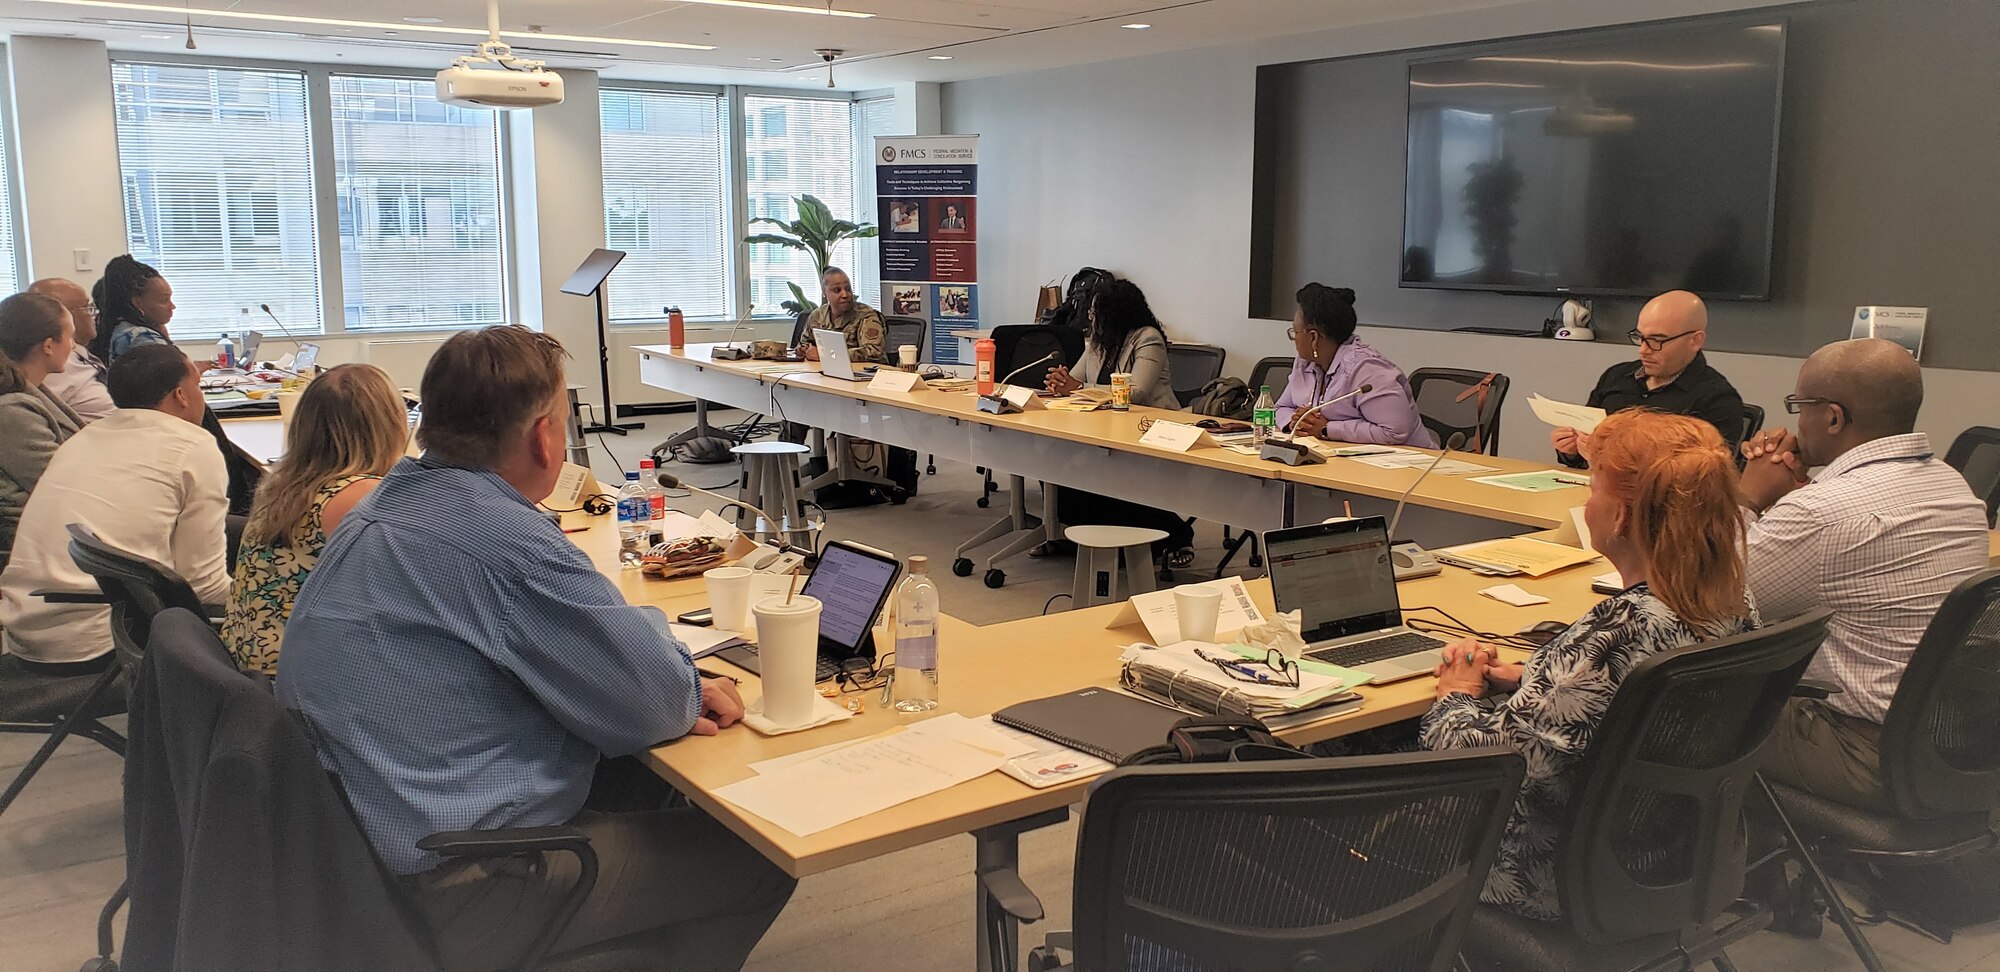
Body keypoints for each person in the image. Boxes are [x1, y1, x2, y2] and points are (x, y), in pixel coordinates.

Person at [276, 325, 792, 971]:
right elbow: (653, 699)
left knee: (641, 775)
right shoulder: (504, 541)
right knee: (760, 849)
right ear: (545, 438)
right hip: (459, 877)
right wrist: (675, 678)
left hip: (360, 854)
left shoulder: (384, 508)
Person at [1420, 409, 1758, 921]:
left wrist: (1458, 694)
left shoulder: (1623, 629)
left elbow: (1485, 761)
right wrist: (1535, 676)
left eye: (1592, 487)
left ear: (1621, 515)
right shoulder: (1733, 601)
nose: (1585, 501)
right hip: (1667, 855)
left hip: (1541, 874)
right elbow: (1612, 705)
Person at [1739, 338, 1988, 811]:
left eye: (1799, 407)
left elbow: (1706, 599)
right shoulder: (1952, 484)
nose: (1794, 421)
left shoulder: (1822, 513)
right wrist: (1795, 494)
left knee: (1663, 712)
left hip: (1860, 749)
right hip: (1947, 740)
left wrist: (1748, 495)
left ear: (1832, 417)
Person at [0, 344, 229, 666]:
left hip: (28, 625)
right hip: (108, 635)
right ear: (181, 395)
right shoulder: (193, 445)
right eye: (198, 386)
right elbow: (205, 587)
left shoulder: (86, 437)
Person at [221, 364, 405, 678]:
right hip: (298, 679)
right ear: (389, 425)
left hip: (249, 663)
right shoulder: (358, 496)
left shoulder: (285, 483)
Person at [1039, 280, 1197, 568]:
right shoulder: (1100, 341)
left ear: (1116, 313)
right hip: (1104, 426)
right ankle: (1084, 533)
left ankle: (1174, 533)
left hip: (1149, 430)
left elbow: (1138, 392)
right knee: (1055, 456)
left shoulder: (1147, 338)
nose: (1091, 318)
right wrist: (1061, 383)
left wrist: (1077, 387)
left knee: (1110, 474)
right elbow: (1075, 378)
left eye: (1096, 313)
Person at [1550, 290, 1744, 468]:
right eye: (1640, 337)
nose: (1643, 349)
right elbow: (1585, 447)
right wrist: (1572, 449)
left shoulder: (1718, 399)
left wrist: (1613, 461)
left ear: (1695, 340)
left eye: (1657, 340)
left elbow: (1705, 481)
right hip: (1600, 493)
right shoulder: (1617, 377)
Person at [1272, 284, 1435, 447]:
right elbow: (1281, 408)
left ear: (1313, 337)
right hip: (1339, 460)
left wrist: (1326, 429)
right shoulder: (1305, 363)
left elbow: (1394, 432)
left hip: (1407, 464)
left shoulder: (1368, 369)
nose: (1294, 339)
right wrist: (1296, 423)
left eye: (1295, 332)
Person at [0, 293, 86, 569]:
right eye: (70, 337)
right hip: (40, 543)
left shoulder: (31, 389)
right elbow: (57, 485)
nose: (74, 346)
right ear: (49, 345)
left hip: (63, 525)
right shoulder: (12, 410)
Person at [28, 278, 116, 422]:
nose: (94, 313)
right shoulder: (49, 362)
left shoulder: (78, 351)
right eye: (87, 307)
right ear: (63, 316)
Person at [89, 254, 176, 366]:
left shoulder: (123, 329)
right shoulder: (142, 339)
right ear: (137, 303)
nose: (172, 306)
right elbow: (172, 380)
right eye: (164, 300)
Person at [796, 266, 886, 364]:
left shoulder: (866, 315)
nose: (845, 294)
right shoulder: (817, 316)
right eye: (837, 290)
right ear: (825, 293)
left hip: (868, 374)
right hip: (828, 371)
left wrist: (828, 355)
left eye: (848, 289)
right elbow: (804, 344)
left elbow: (874, 352)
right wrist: (803, 350)